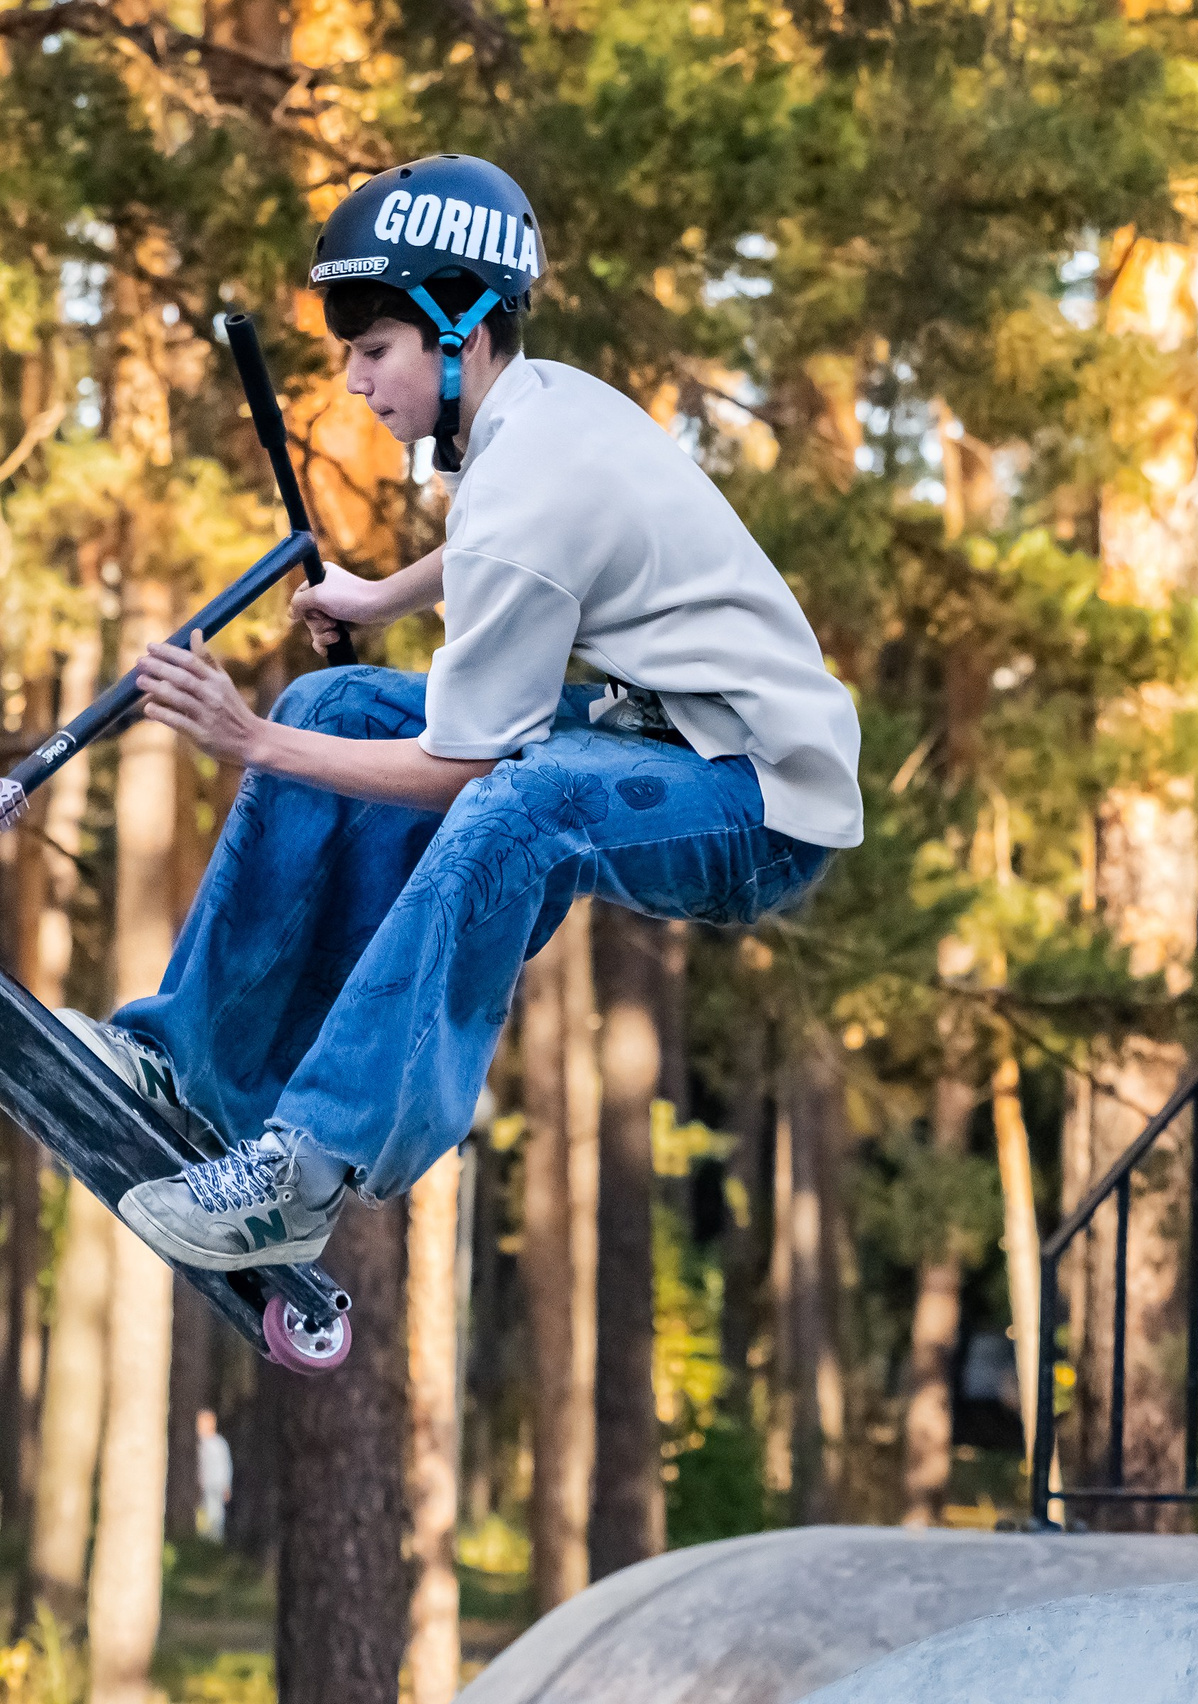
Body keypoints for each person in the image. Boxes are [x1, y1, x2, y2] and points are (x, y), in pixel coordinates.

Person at [59, 153, 862, 1273]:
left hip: (759, 806)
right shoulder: (540, 410)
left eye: (375, 351)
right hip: (663, 734)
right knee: (337, 700)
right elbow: (508, 541)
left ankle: (305, 1171)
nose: (353, 382)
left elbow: (456, 768)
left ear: (464, 331)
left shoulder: (524, 484)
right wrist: (381, 596)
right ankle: (185, 1062)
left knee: (513, 808)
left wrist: (249, 743)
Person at [195, 1408, 233, 1541]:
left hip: (215, 1485)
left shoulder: (218, 1443)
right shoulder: (199, 1443)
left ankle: (214, 1541)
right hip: (203, 1485)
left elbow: (226, 1464)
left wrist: (226, 1485)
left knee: (215, 1515)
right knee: (202, 1515)